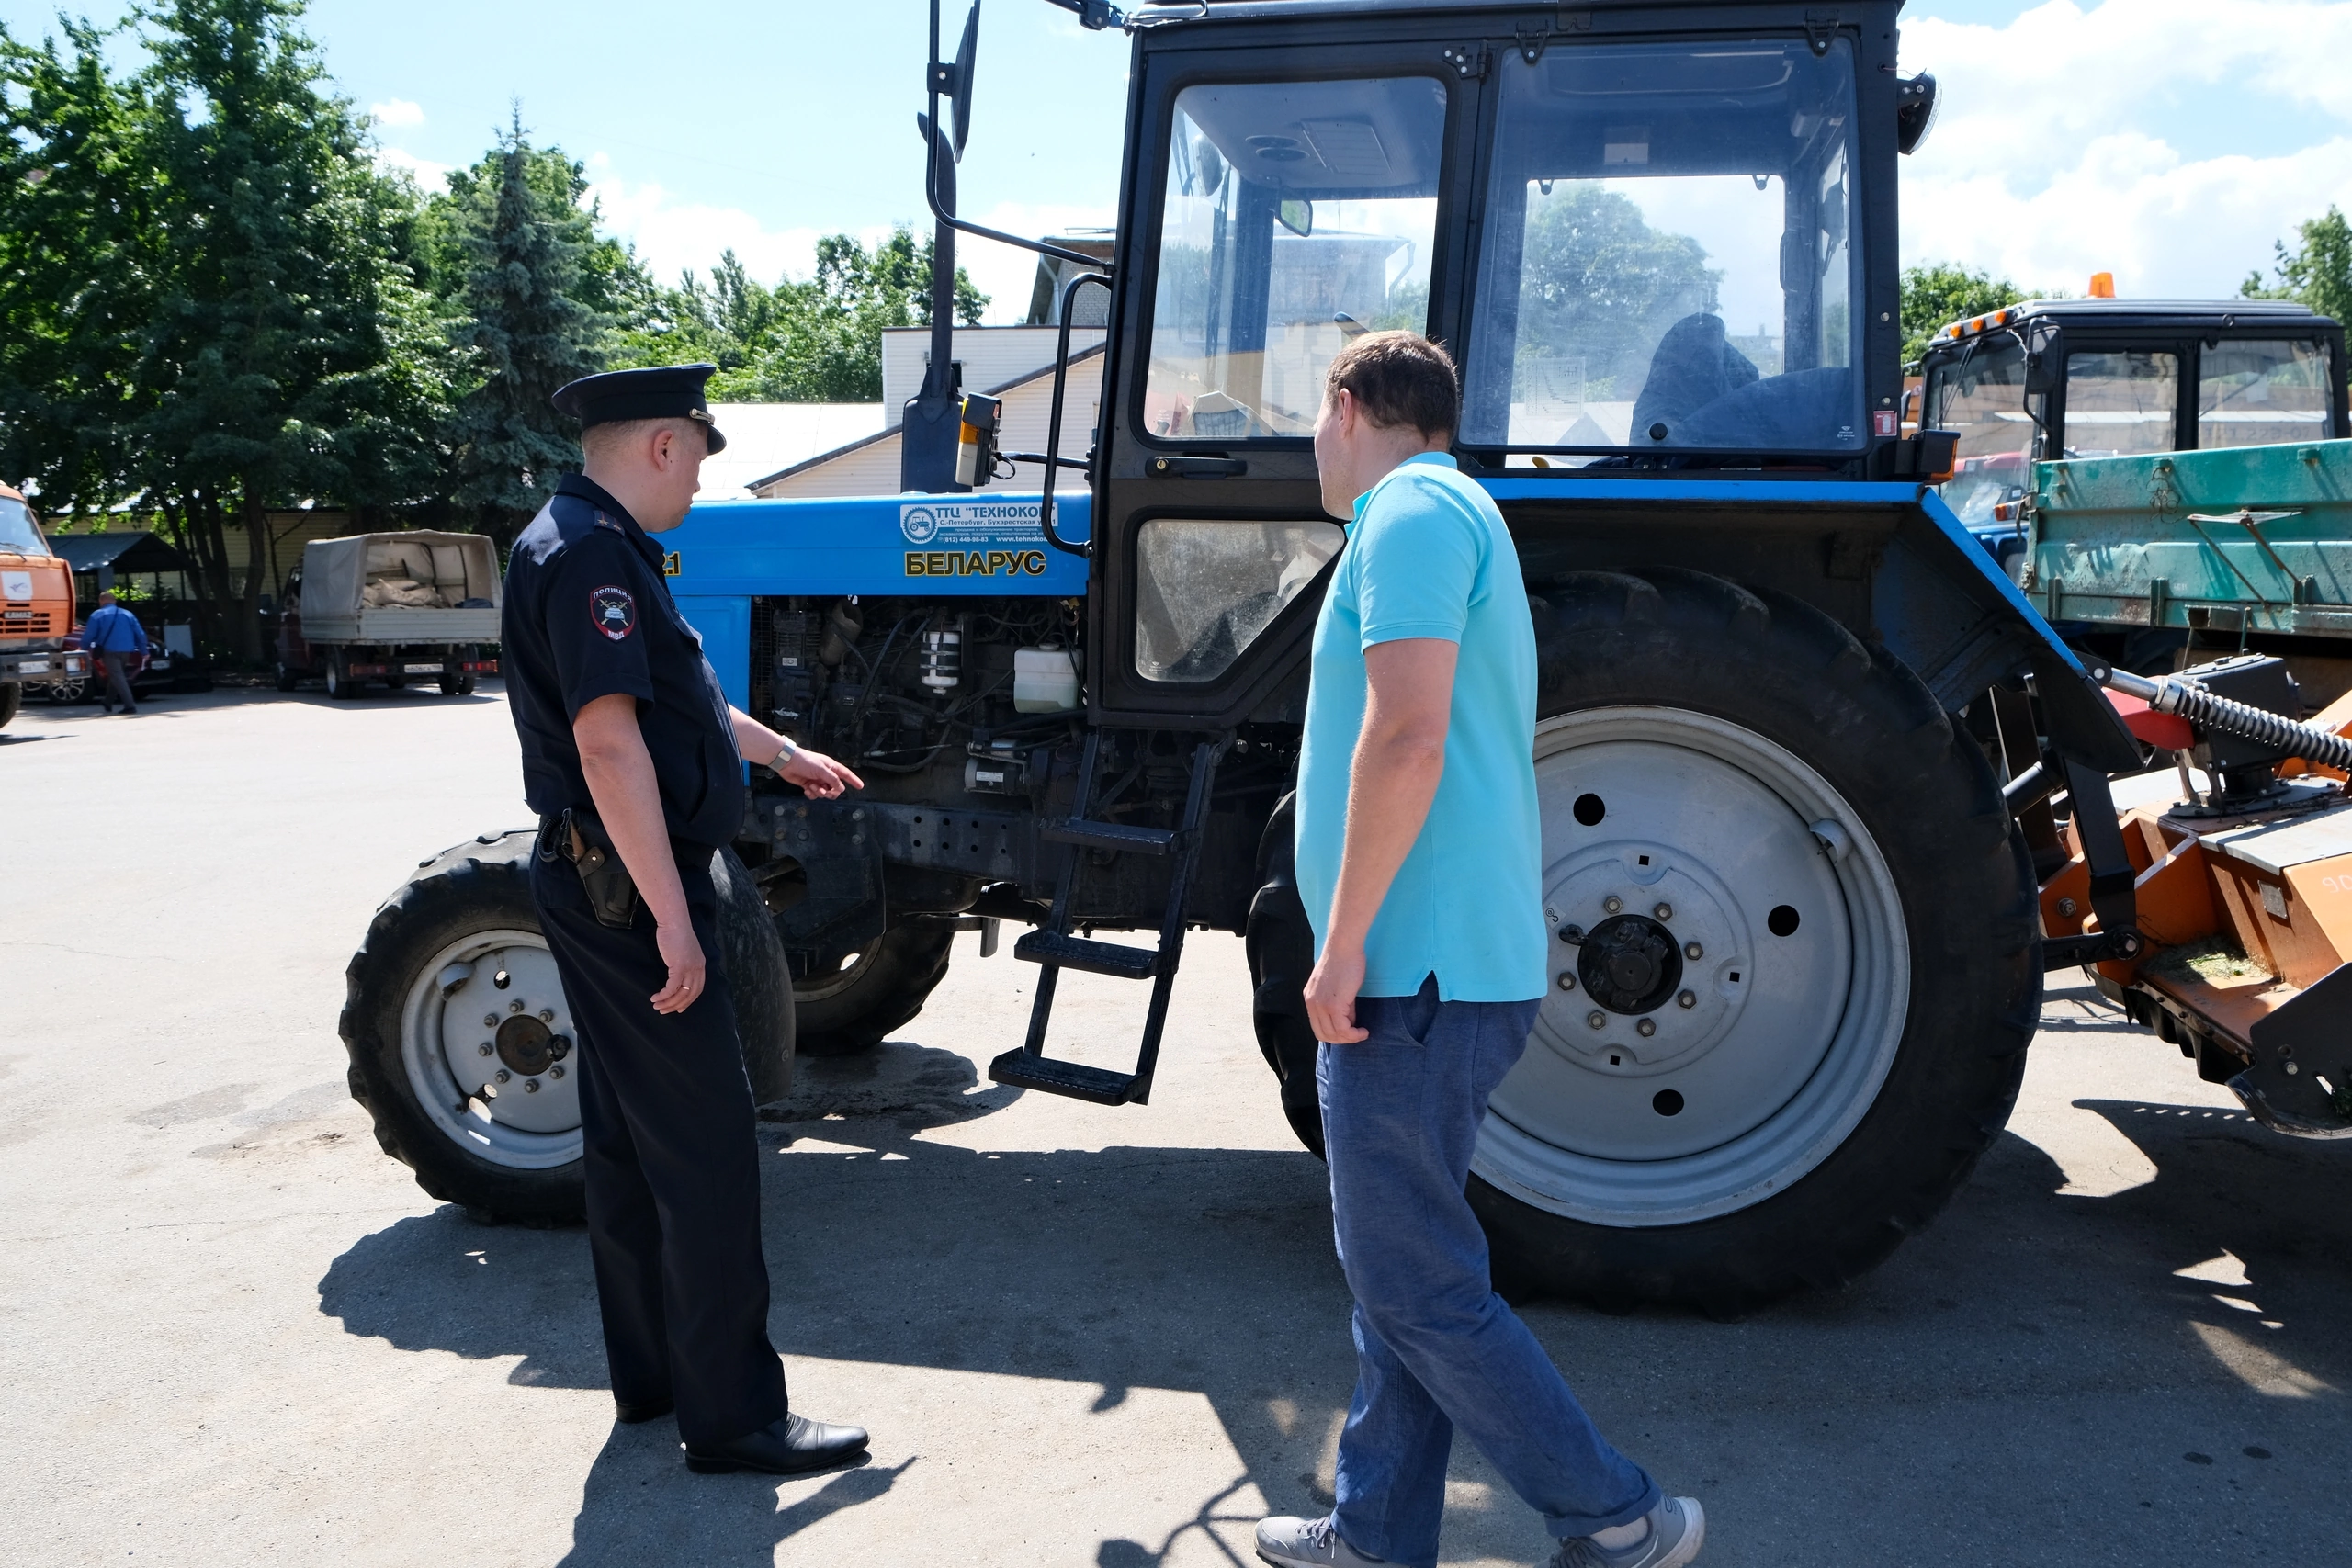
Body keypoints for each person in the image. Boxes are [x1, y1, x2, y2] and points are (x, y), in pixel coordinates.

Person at [1253, 333, 1703, 1568]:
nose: (1312, 444)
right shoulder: (1453, 511)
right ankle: (1375, 1534)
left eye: (1315, 418)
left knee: (1415, 1286)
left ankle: (1615, 1514)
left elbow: (1407, 739)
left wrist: (1342, 944)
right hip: (1440, 970)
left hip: (1412, 973)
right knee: (1399, 1274)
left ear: (1349, 407)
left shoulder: (1407, 514)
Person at [503, 363, 872, 1476]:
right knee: (708, 1151)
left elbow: (684, 700)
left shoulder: (580, 540)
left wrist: (781, 753)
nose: (702, 484)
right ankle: (734, 1417)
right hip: (626, 888)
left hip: (597, 879)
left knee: (627, 1141)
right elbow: (608, 742)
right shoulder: (593, 557)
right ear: (662, 445)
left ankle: (654, 1379)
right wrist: (671, 914)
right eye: (700, 459)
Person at [81, 591, 148, 715]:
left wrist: (83, 648)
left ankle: (130, 705)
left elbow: (89, 634)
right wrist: (144, 651)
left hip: (109, 650)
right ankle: (108, 701)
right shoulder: (128, 614)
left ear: (101, 601)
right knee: (116, 675)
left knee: (117, 676)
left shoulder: (97, 615)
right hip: (127, 650)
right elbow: (140, 633)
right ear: (114, 601)